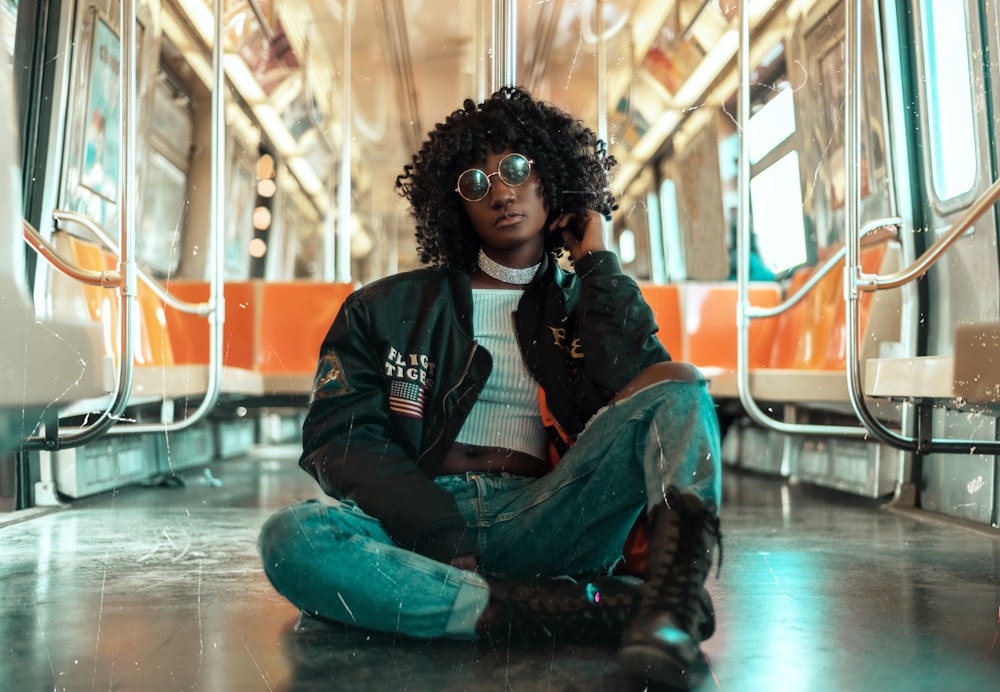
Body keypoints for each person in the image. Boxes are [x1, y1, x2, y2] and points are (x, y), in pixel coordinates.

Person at [258, 86, 722, 689]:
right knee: (292, 539)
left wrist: (596, 264)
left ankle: (667, 613)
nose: (501, 191)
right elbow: (339, 439)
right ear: (456, 209)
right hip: (422, 524)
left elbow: (643, 401)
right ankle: (544, 609)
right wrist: (438, 527)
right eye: (475, 184)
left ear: (550, 178)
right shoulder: (384, 307)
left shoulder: (589, 298)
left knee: (681, 385)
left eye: (517, 169)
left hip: (549, 514)